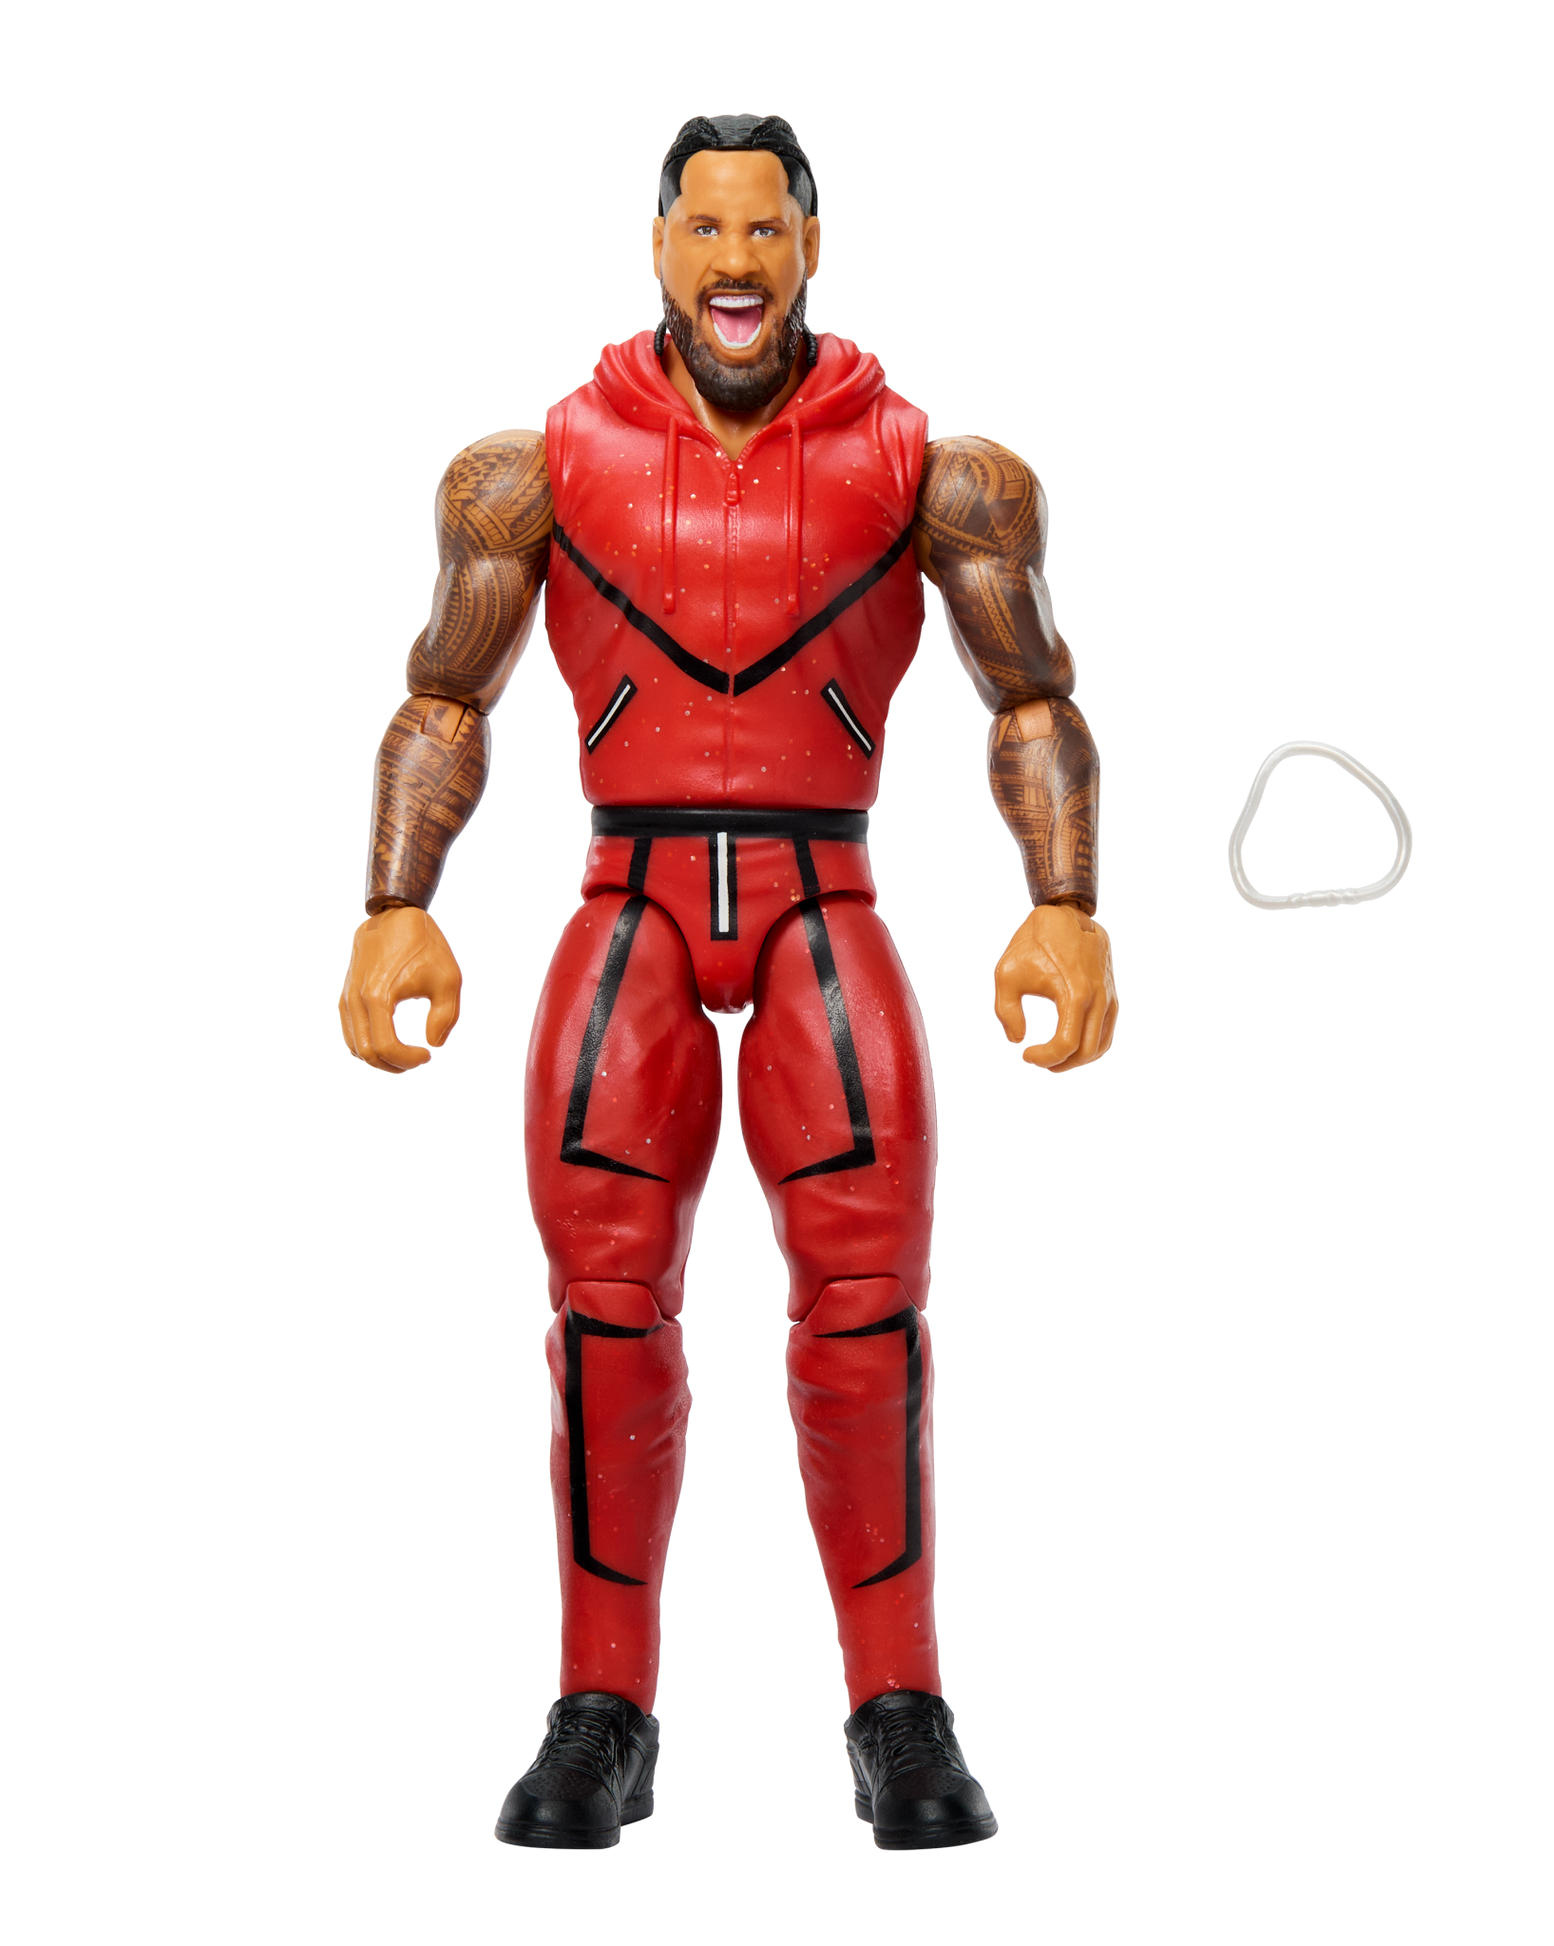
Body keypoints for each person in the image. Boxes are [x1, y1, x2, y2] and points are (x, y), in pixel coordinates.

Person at [338, 113, 1115, 1851]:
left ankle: (898, 1704)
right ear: (660, 245)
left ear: (811, 244)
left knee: (868, 1302)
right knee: (604, 1310)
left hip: (819, 892)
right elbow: (445, 693)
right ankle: (600, 1709)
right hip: (626, 894)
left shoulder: (934, 469)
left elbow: (1030, 696)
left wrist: (1064, 901)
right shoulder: (534, 468)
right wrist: (396, 901)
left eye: (766, 228)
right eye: (706, 228)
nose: (737, 261)